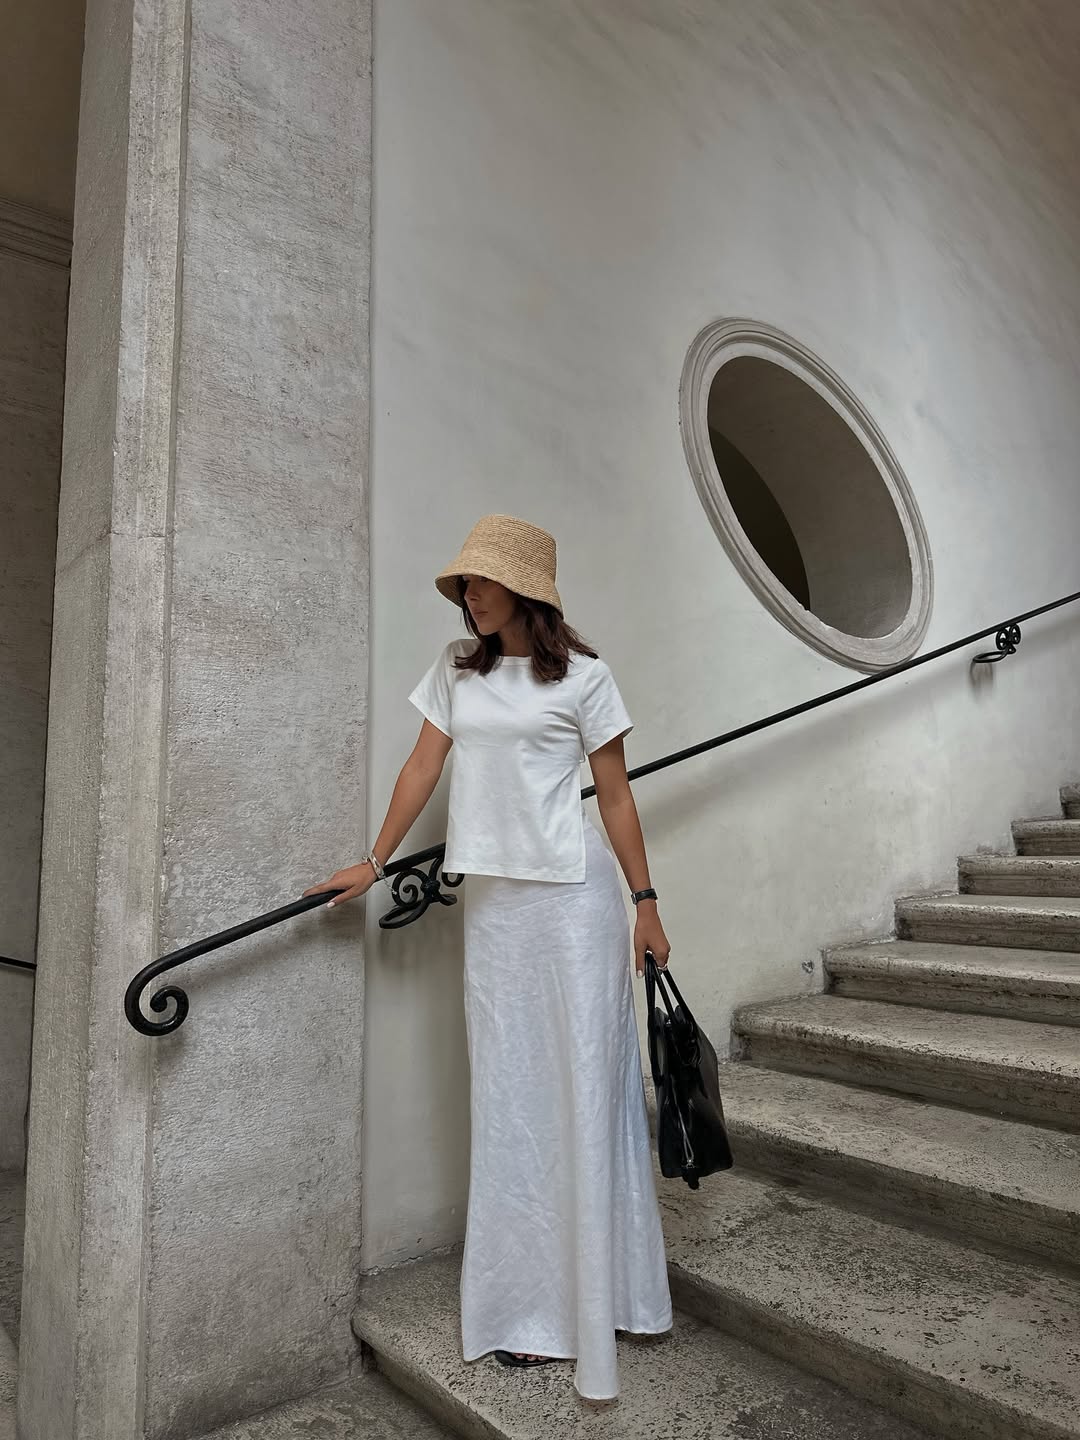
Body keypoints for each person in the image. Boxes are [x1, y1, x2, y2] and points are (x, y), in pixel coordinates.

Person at [304, 513, 673, 1401]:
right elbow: (422, 769)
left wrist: (645, 902)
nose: (467, 596)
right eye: (463, 584)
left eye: (480, 582)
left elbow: (615, 800)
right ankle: (529, 1308)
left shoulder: (586, 677)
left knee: (586, 1088)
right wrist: (378, 855)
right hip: (499, 910)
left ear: (525, 589)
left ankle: (605, 1296)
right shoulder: (455, 671)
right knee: (512, 1098)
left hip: (574, 903)